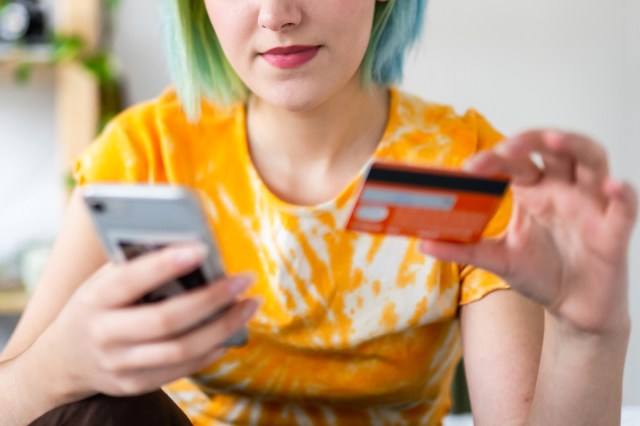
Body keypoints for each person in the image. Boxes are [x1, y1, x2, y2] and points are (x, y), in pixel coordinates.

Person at [1, 0, 637, 424]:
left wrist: (589, 333)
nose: (278, 15)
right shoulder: (145, 154)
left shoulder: (458, 167)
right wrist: (63, 361)